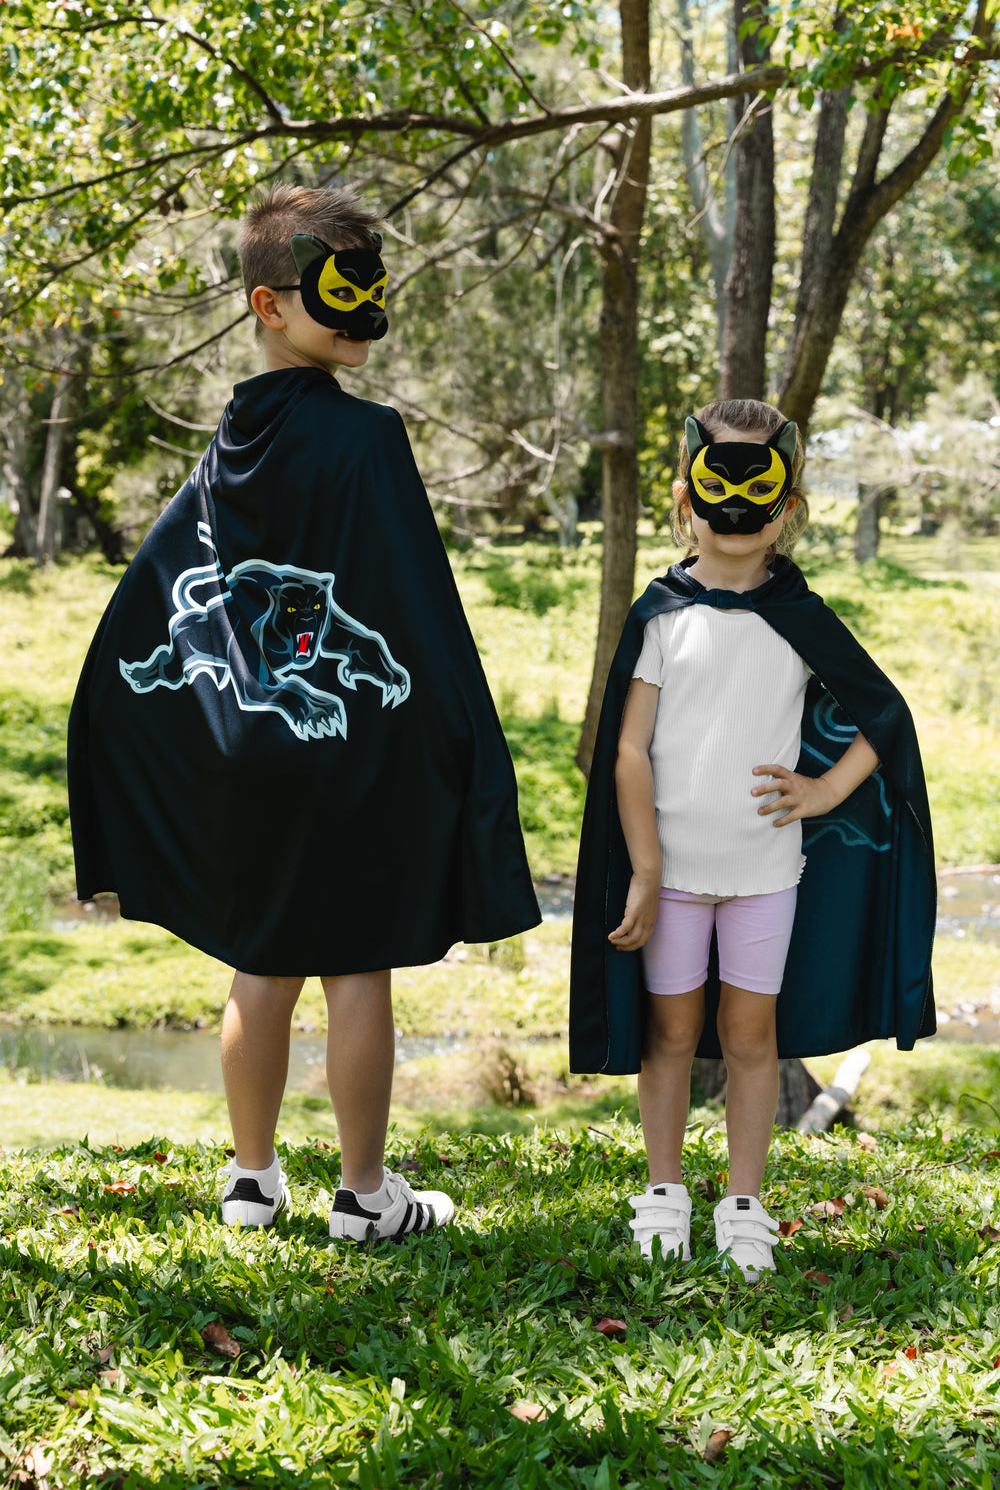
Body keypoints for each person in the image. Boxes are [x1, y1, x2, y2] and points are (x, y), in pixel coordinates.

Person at [68, 184, 540, 1239]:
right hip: (341, 746)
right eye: (341, 287)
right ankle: (366, 1196)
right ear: (267, 304)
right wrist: (457, 727)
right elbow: (411, 602)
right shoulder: (369, 440)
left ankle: (250, 1181)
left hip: (251, 753)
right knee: (356, 963)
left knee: (264, 959)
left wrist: (131, 700)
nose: (361, 306)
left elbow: (169, 577)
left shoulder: (231, 434)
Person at [569, 399, 936, 1281]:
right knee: (668, 1034)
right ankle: (663, 1194)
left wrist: (825, 791)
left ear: (790, 509)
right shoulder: (661, 613)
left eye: (758, 494)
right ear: (685, 502)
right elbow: (625, 749)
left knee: (749, 1036)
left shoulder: (799, 617)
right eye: (715, 491)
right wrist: (646, 869)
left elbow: (884, 715)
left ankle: (744, 1204)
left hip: (768, 871)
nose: (735, 516)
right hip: (675, 874)